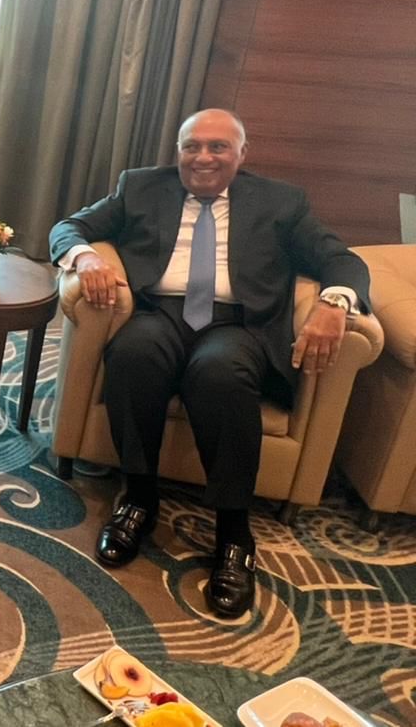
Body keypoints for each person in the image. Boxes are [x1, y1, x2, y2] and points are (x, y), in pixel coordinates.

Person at [48, 109, 369, 617]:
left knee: (220, 374)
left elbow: (342, 260)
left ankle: (234, 532)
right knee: (132, 354)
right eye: (191, 146)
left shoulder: (281, 202)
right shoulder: (140, 186)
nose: (203, 157)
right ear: (178, 151)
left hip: (238, 324)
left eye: (218, 147)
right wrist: (86, 257)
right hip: (160, 311)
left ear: (242, 154)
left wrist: (334, 304)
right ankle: (139, 496)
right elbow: (70, 227)